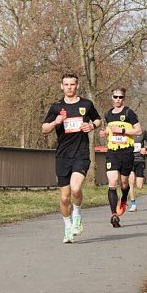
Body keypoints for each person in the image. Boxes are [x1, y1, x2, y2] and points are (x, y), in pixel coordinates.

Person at [41, 73, 101, 243]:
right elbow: (44, 128)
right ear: (62, 86)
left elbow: (98, 120)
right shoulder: (56, 107)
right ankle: (67, 227)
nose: (69, 87)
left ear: (77, 86)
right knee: (64, 196)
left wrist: (91, 125)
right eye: (66, 84)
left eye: (72, 84)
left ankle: (77, 214)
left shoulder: (86, 104)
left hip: (81, 154)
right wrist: (55, 123)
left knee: (76, 189)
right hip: (62, 156)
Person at [98, 88, 142, 227]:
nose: (118, 99)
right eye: (115, 96)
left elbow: (138, 130)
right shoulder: (108, 114)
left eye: (120, 97)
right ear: (112, 97)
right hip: (112, 152)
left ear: (124, 98)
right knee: (112, 181)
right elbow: (109, 129)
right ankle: (114, 214)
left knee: (124, 183)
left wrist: (122, 131)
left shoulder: (128, 113)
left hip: (126, 153)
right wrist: (104, 133)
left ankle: (123, 199)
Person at [128, 128, 147, 212]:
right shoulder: (126, 131)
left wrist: (145, 148)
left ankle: (142, 177)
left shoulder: (143, 132)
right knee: (131, 182)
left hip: (140, 160)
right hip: (129, 160)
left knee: (139, 186)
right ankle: (133, 204)